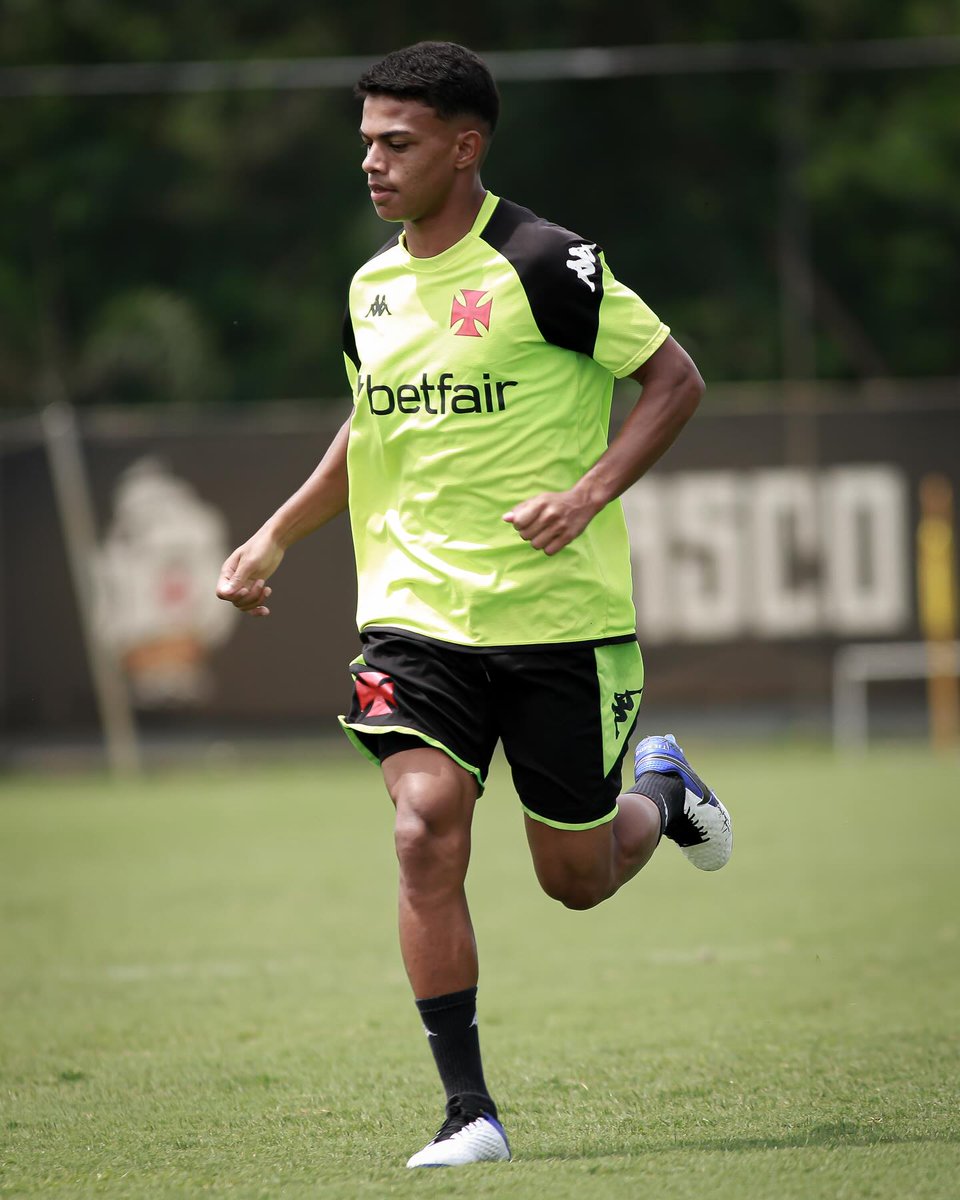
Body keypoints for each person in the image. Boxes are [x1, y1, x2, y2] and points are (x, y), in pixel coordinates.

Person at [217, 40, 732, 1169]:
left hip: (559, 620)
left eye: (396, 143)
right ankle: (469, 1113)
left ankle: (662, 789)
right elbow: (371, 430)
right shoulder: (370, 289)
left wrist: (588, 492)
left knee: (576, 880)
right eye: (365, 141)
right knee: (421, 827)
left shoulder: (548, 262)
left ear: (466, 146)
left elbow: (675, 379)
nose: (372, 162)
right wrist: (276, 533)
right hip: (414, 613)